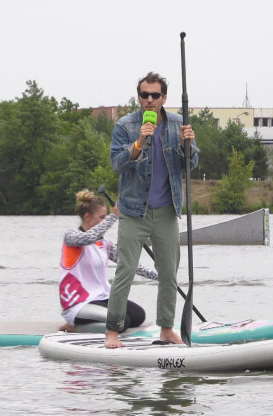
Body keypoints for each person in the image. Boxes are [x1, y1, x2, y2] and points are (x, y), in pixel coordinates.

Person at [107, 72, 198, 348]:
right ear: (139, 97)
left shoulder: (178, 124)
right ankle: (112, 331)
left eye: (155, 95)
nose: (149, 100)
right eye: (144, 95)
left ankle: (166, 329)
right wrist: (138, 143)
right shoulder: (126, 125)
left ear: (164, 98)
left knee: (169, 272)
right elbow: (116, 163)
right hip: (135, 210)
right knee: (126, 269)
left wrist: (189, 146)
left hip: (167, 210)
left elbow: (191, 165)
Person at [58, 190, 151, 333]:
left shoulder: (104, 243)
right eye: (101, 217)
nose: (104, 220)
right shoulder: (71, 237)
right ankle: (75, 327)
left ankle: (97, 323)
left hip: (101, 297)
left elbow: (129, 263)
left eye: (106, 216)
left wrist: (161, 276)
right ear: (87, 217)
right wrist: (113, 216)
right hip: (78, 303)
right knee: (121, 323)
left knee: (138, 316)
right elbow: (88, 238)